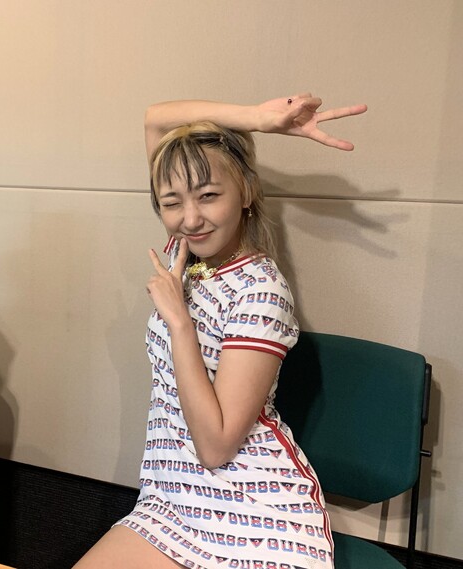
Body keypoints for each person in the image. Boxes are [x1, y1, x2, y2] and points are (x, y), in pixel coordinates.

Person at [74, 94, 367, 568]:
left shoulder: (262, 289)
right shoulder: (186, 253)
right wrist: (257, 120)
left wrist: (180, 323)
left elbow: (215, 446)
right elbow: (156, 119)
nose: (190, 218)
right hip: (170, 502)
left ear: (246, 192)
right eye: (172, 202)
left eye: (209, 195)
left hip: (253, 510)